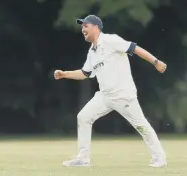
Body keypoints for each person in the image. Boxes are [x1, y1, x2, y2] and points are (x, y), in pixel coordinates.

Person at [54, 15, 167, 168]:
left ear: (96, 27)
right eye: (82, 27)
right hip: (105, 96)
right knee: (83, 117)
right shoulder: (92, 52)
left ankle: (159, 158)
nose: (83, 30)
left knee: (141, 125)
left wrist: (156, 62)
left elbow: (134, 48)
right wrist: (65, 74)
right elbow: (85, 73)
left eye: (85, 26)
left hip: (123, 95)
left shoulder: (110, 40)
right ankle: (83, 159)